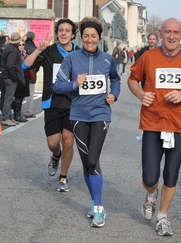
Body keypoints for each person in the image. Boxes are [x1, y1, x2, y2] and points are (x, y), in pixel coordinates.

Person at [127, 17, 181, 236]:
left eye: (176, 32)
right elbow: (133, 79)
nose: (172, 36)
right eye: (167, 32)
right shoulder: (148, 57)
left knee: (171, 174)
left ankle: (162, 217)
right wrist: (141, 94)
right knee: (150, 177)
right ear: (160, 33)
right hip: (152, 123)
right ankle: (151, 195)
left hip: (179, 125)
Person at [53, 16, 121, 228]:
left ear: (99, 38)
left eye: (93, 36)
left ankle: (99, 207)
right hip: (78, 116)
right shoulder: (72, 59)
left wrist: (114, 95)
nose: (90, 40)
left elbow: (116, 80)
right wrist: (74, 83)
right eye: (86, 36)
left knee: (93, 160)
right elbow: (57, 86)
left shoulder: (108, 60)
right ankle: (94, 203)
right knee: (86, 162)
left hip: (100, 115)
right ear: (81, 38)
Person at [23, 18, 80, 192]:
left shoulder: (80, 53)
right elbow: (25, 66)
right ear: (57, 33)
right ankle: (56, 155)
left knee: (68, 141)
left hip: (74, 104)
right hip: (52, 103)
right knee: (53, 143)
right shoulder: (48, 51)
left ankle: (63, 177)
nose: (63, 33)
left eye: (67, 30)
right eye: (60, 30)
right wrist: (38, 50)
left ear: (73, 34)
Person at [0, 32, 27, 126]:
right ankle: (6, 118)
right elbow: (10, 65)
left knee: (8, 98)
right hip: (10, 77)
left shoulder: (8, 48)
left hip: (6, 75)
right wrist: (15, 77)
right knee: (9, 98)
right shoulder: (13, 51)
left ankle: (8, 117)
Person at [11, 40, 30, 123]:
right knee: (18, 97)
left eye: (23, 44)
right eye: (20, 45)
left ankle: (18, 114)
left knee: (22, 97)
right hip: (18, 76)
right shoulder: (16, 54)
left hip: (24, 75)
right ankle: (17, 115)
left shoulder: (25, 54)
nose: (22, 46)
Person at [23, 31, 38, 119]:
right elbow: (37, 62)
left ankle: (15, 111)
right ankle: (28, 111)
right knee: (30, 92)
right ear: (33, 38)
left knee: (19, 93)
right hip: (31, 73)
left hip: (21, 72)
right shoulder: (34, 48)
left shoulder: (22, 46)